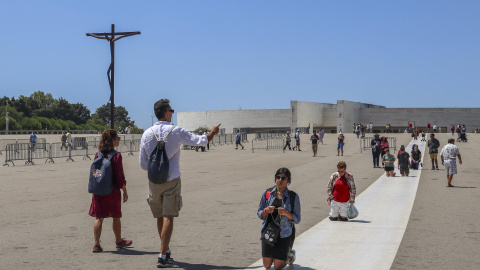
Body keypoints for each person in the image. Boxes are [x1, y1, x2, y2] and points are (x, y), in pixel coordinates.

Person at [139, 99, 221, 268]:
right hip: (172, 180)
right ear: (167, 113)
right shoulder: (176, 131)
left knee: (159, 216)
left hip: (154, 181)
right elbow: (201, 141)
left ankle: (165, 250)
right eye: (172, 110)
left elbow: (143, 163)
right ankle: (162, 256)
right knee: (169, 215)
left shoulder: (146, 134)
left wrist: (156, 168)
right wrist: (213, 132)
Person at [89, 129, 132, 253]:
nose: (119, 140)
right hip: (112, 191)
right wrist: (124, 189)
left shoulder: (98, 154)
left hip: (99, 191)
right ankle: (118, 241)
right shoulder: (116, 156)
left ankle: (96, 244)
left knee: (99, 217)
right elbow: (119, 175)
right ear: (113, 140)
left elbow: (96, 172)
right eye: (117, 138)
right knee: (116, 217)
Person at [258, 167, 301, 270]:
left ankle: (289, 257)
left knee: (278, 267)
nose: (280, 180)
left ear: (288, 180)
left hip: (284, 234)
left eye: (283, 178)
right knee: (267, 265)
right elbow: (259, 214)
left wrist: (286, 213)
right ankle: (277, 256)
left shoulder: (293, 197)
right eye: (278, 177)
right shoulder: (267, 193)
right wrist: (265, 211)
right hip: (268, 232)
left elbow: (297, 219)